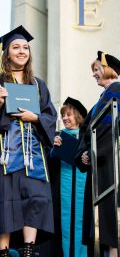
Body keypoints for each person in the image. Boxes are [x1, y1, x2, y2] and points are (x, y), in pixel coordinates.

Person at [0, 25, 57, 257]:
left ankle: (29, 249)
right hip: (3, 154)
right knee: (4, 198)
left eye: (26, 47)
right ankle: (3, 251)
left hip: (33, 156)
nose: (22, 51)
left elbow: (51, 115)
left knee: (35, 197)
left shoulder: (38, 84)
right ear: (6, 53)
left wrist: (36, 118)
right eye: (16, 47)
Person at [75, 51, 120, 257]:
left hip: (111, 162)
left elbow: (113, 132)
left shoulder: (117, 92)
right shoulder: (100, 101)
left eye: (97, 69)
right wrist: (84, 154)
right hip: (99, 165)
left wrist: (95, 152)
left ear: (109, 69)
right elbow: (87, 132)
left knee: (111, 215)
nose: (94, 74)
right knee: (100, 219)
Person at [48, 97, 88, 257]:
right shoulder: (60, 136)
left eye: (68, 115)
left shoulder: (86, 136)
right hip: (64, 187)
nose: (64, 118)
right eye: (63, 115)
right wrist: (54, 149)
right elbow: (51, 163)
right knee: (65, 224)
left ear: (77, 116)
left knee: (81, 223)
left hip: (82, 184)